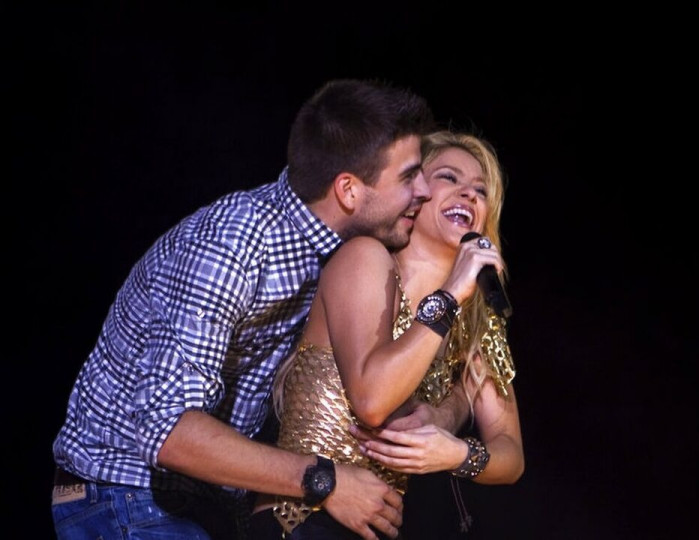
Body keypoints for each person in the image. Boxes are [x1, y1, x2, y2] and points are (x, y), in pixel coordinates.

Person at [50, 79, 472, 540]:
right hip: (124, 496)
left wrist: (448, 412)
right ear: (349, 191)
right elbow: (166, 431)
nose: (425, 190)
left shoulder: (338, 254)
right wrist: (326, 481)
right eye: (409, 176)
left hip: (202, 504)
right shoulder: (233, 244)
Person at [248, 130, 525, 539]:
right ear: (414, 193)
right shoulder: (364, 257)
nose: (469, 194)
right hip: (299, 517)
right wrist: (449, 295)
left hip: (373, 526)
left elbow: (511, 454)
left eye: (480, 191)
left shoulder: (471, 324)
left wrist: (456, 453)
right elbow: (372, 402)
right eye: (449, 177)